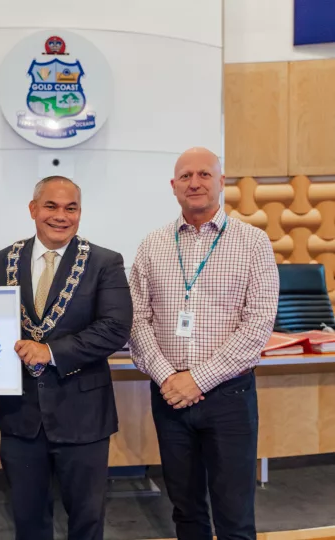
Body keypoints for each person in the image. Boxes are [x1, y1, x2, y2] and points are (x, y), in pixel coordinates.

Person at [128, 147, 279, 540]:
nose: (194, 183)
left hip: (229, 397)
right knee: (186, 510)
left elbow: (259, 325)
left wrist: (197, 379)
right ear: (173, 186)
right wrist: (168, 377)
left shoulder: (254, 243)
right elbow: (137, 320)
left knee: (235, 515)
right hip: (169, 398)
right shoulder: (151, 245)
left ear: (221, 181)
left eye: (204, 175)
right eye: (185, 176)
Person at [0, 176, 133, 540]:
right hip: (20, 417)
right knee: (28, 521)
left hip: (83, 416)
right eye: (51, 206)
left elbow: (115, 328)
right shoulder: (1, 260)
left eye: (71, 208)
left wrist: (50, 351)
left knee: (86, 522)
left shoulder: (105, 262)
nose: (61, 216)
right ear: (33, 209)